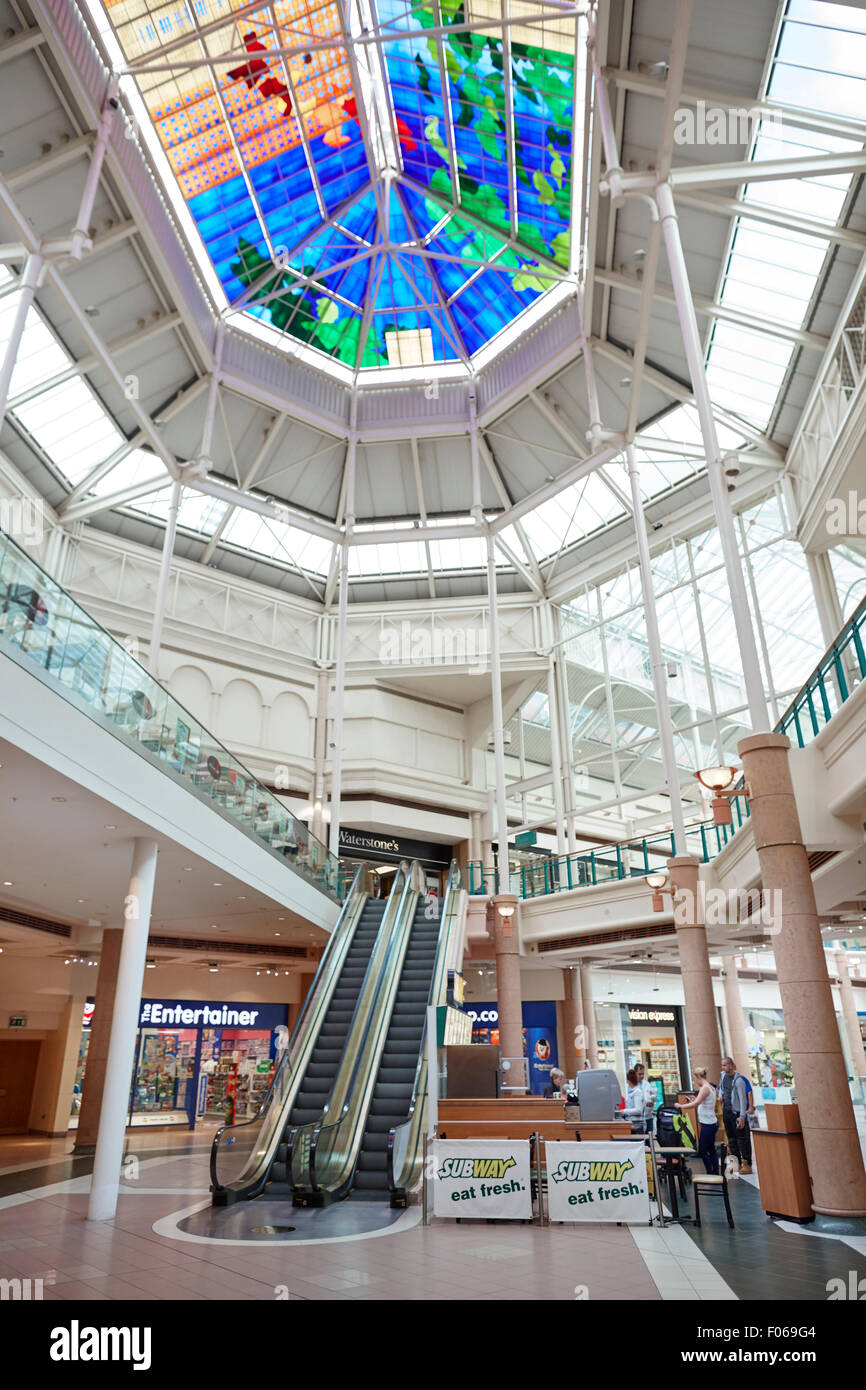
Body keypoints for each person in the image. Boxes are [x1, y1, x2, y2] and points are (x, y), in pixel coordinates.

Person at [675, 1068, 719, 1174]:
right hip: (710, 1122)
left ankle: (710, 1172)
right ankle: (715, 1171)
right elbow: (701, 1101)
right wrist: (695, 1100)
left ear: (699, 1077)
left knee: (702, 1150)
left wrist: (681, 1105)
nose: (695, 1082)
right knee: (711, 1149)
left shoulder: (705, 1088)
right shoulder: (710, 1087)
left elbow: (696, 1104)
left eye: (695, 1079)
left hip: (708, 1124)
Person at [718, 1056, 753, 1174]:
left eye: (725, 1065)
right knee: (731, 1139)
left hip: (737, 1113)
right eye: (722, 1065)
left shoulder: (739, 1080)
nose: (723, 1067)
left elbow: (743, 1099)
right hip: (726, 1112)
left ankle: (747, 1164)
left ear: (732, 1065)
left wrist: (742, 1117)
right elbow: (721, 1088)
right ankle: (736, 1163)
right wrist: (721, 1095)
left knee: (742, 1140)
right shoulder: (723, 1077)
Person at [635, 1062, 656, 1132]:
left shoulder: (646, 1084)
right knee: (640, 1139)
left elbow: (654, 1097)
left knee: (649, 1139)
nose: (641, 1076)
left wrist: (653, 1098)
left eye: (643, 1074)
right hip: (638, 1119)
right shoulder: (631, 1086)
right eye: (639, 1074)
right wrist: (645, 1104)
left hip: (648, 1116)